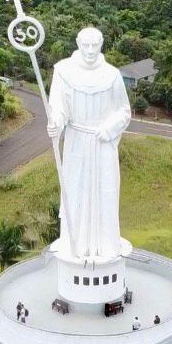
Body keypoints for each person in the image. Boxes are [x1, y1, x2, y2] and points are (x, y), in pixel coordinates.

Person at [46, 27, 132, 261]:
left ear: (102, 44)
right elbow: (59, 107)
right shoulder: (63, 71)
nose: (91, 50)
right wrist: (57, 123)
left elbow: (124, 111)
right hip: (76, 142)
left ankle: (106, 245)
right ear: (78, 43)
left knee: (107, 190)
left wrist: (109, 128)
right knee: (75, 190)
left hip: (103, 143)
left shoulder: (112, 75)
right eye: (86, 45)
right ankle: (75, 244)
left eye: (95, 45)